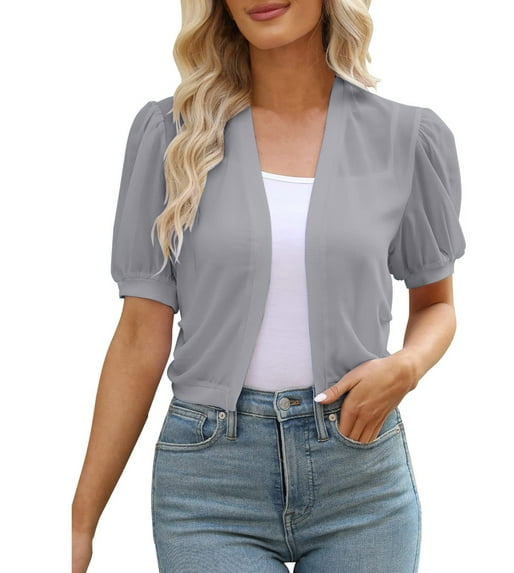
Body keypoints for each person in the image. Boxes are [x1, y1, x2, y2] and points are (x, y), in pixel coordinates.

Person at [71, 0, 466, 571]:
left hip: (360, 478)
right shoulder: (172, 136)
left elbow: (436, 305)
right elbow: (139, 335)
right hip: (209, 486)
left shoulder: (406, 137)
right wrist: (81, 519)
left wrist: (406, 366)